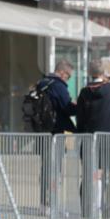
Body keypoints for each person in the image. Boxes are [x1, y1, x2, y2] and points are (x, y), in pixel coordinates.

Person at [77, 60, 110, 219]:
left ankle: (97, 211)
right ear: (103, 73)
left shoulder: (84, 92)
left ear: (89, 72)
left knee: (96, 174)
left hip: (92, 138)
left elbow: (80, 119)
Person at [35, 60, 77, 209]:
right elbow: (66, 108)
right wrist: (78, 106)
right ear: (62, 73)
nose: (69, 79)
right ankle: (52, 203)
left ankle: (42, 203)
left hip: (41, 132)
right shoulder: (58, 86)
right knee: (55, 168)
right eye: (69, 76)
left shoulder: (42, 83)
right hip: (55, 132)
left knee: (45, 167)